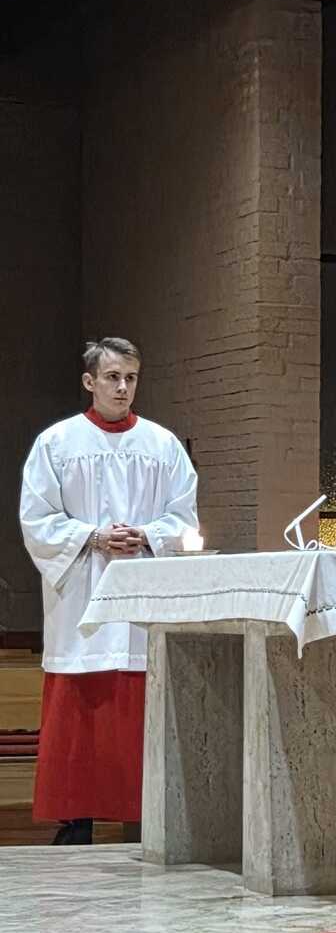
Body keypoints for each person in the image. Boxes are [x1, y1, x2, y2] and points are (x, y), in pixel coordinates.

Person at [20, 337, 198, 844]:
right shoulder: (56, 443)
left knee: (138, 715)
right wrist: (92, 537)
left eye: (131, 378)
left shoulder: (162, 446)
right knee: (80, 717)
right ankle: (74, 826)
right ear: (89, 381)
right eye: (113, 377)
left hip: (141, 599)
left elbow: (183, 518)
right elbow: (36, 519)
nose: (123, 387)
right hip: (82, 599)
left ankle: (145, 827)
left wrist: (148, 535)